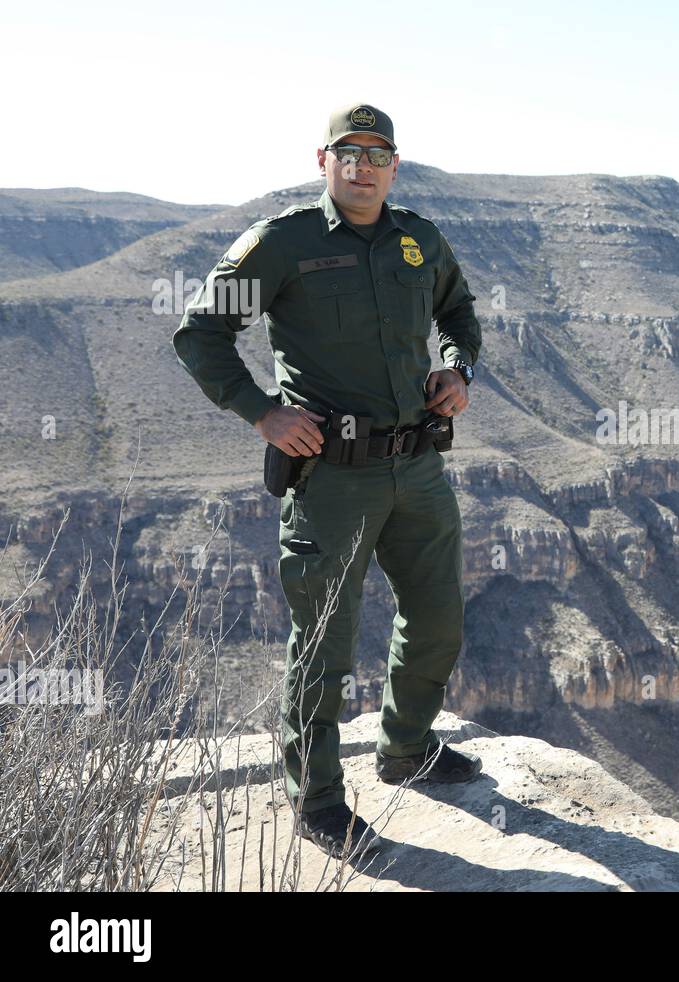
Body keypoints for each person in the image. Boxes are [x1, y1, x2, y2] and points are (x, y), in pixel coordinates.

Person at [172, 102, 483, 862]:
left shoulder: (418, 239)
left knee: (438, 618)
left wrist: (458, 367)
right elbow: (200, 331)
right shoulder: (284, 243)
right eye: (350, 153)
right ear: (324, 161)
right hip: (333, 478)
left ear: (395, 166)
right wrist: (263, 414)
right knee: (324, 643)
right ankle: (315, 800)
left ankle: (406, 748)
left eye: (378, 155)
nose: (364, 166)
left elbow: (459, 310)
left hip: (418, 464)